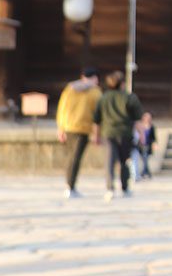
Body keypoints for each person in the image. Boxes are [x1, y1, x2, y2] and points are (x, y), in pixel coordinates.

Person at [95, 70, 144, 199]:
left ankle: (110, 188)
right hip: (125, 133)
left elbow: (97, 120)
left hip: (108, 133)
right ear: (122, 83)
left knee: (109, 161)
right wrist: (142, 135)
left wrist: (96, 136)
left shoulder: (103, 98)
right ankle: (125, 187)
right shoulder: (130, 97)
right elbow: (138, 120)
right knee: (125, 161)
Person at [56, 66, 101, 199]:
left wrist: (60, 127)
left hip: (68, 127)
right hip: (82, 128)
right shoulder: (95, 92)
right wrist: (97, 132)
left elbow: (62, 108)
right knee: (75, 158)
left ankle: (69, 184)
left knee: (71, 157)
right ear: (95, 79)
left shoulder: (69, 89)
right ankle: (70, 186)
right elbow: (98, 113)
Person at [132, 112, 157, 181]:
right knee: (143, 159)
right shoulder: (140, 125)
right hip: (141, 145)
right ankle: (146, 173)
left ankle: (144, 172)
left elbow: (154, 137)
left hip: (148, 145)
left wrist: (154, 144)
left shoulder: (152, 127)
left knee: (145, 159)